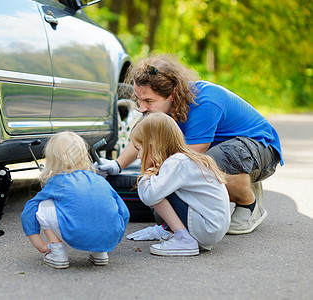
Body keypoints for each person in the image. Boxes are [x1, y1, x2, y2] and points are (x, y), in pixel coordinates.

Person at [97, 53, 283, 236]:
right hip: (227, 152)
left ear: (173, 94)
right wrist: (116, 165)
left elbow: (188, 160)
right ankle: (239, 180)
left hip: (259, 149)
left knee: (200, 166)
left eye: (148, 101)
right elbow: (144, 137)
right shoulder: (161, 108)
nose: (141, 107)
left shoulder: (205, 102)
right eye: (138, 99)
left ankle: (248, 202)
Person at [21, 131, 130, 269]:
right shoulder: (99, 179)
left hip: (75, 234)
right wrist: (113, 237)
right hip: (108, 238)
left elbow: (30, 210)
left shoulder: (59, 181)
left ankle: (57, 252)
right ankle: (100, 253)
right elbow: (124, 211)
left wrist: (41, 245)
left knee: (44, 205)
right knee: (98, 207)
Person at [130, 113, 230, 255]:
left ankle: (184, 238)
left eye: (139, 149)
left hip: (206, 228)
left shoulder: (177, 162)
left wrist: (146, 177)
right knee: (162, 185)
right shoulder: (184, 159)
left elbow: (150, 196)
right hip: (211, 227)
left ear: (152, 145)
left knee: (155, 189)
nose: (139, 156)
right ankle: (170, 230)